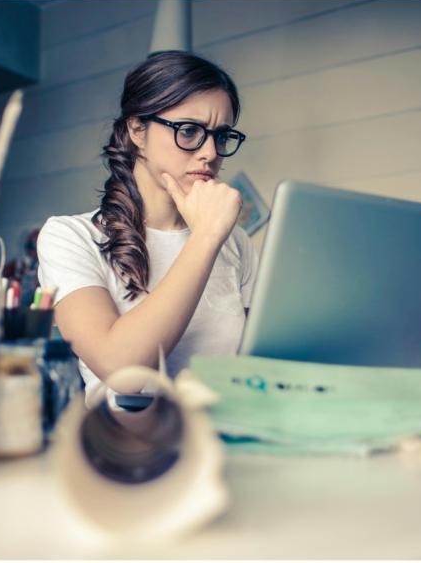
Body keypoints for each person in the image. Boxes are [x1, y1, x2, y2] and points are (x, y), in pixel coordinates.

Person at [37, 51, 258, 406]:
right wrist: (205, 237)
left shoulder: (236, 243)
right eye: (188, 131)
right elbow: (122, 370)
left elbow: (256, 368)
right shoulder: (70, 237)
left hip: (226, 444)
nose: (209, 153)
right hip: (126, 448)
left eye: (221, 135)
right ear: (137, 130)